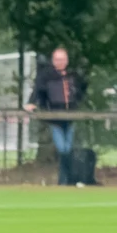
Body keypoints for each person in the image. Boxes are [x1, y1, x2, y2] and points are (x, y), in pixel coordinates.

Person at [26, 47, 88, 185]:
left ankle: (65, 180)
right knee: (63, 149)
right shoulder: (46, 76)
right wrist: (31, 103)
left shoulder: (72, 76)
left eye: (62, 59)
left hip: (70, 118)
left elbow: (81, 89)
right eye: (57, 59)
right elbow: (37, 91)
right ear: (53, 61)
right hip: (55, 120)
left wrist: (78, 101)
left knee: (68, 149)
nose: (60, 62)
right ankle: (64, 179)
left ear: (67, 61)